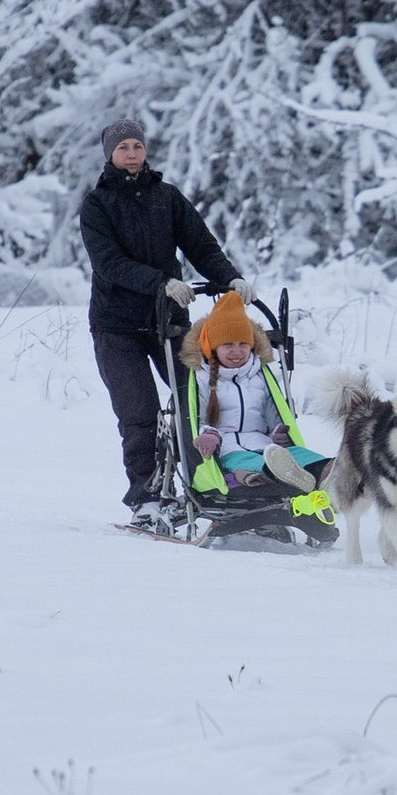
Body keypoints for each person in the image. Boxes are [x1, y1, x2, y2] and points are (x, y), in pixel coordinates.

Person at [78, 119, 240, 515]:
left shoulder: (166, 197)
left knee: (200, 403)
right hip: (117, 326)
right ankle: (147, 497)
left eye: (137, 145)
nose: (131, 153)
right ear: (110, 155)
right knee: (140, 414)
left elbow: (201, 245)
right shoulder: (97, 204)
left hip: (169, 321)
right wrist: (161, 282)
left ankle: (214, 484)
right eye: (122, 148)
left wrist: (231, 278)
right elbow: (109, 264)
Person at [185, 289, 331, 512]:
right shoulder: (202, 378)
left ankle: (329, 473)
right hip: (227, 449)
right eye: (228, 345)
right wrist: (209, 434)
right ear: (214, 346)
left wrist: (278, 434)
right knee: (252, 464)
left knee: (302, 457)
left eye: (243, 344)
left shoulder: (260, 375)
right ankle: (282, 477)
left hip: (265, 445)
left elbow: (274, 416)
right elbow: (198, 418)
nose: (237, 351)